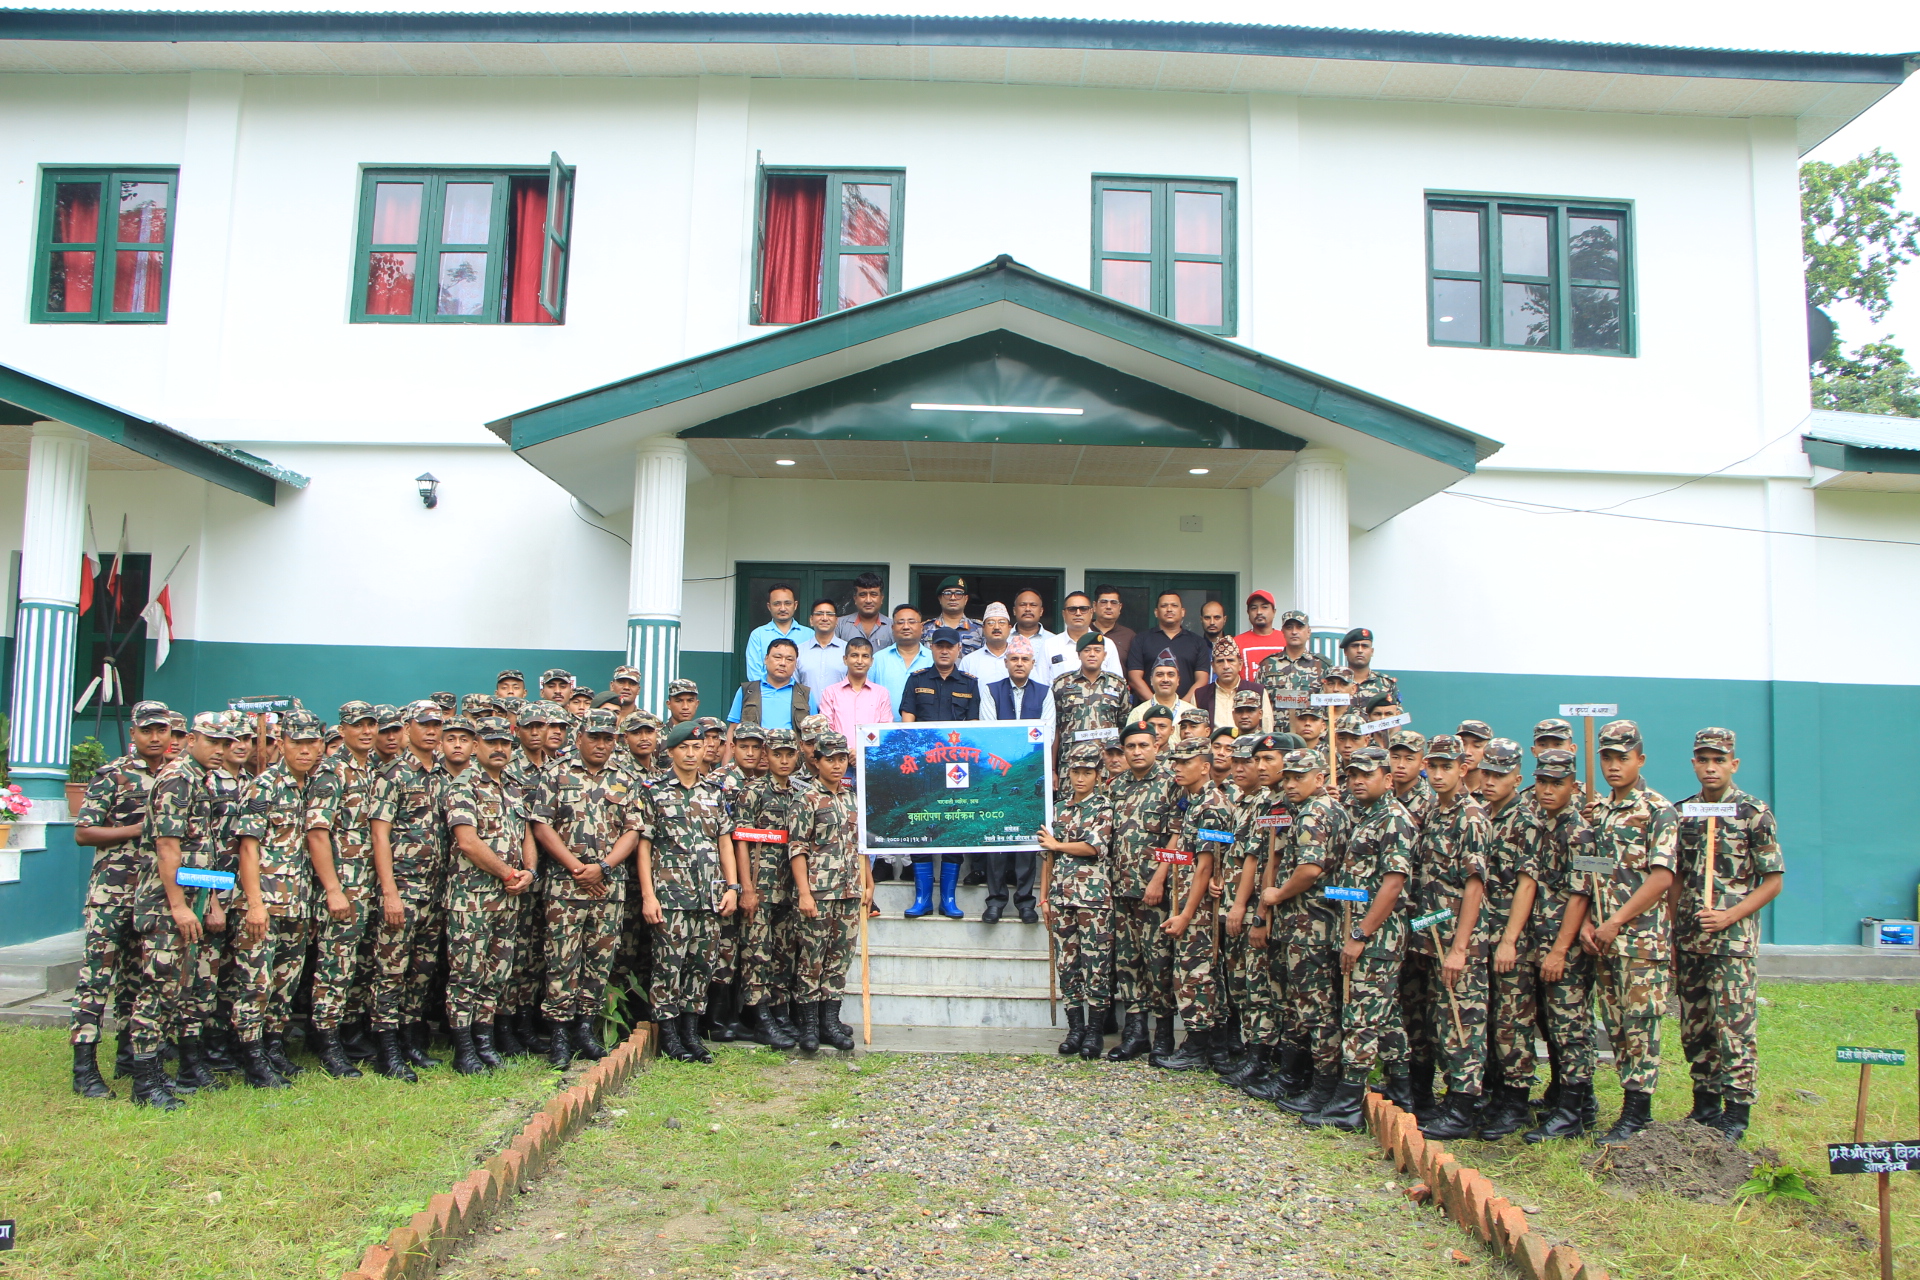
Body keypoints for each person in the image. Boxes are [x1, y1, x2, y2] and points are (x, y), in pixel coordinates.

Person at [118, 711, 246, 1109]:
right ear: (192, 739)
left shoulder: (200, 778)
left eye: (226, 744)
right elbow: (167, 847)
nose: (221, 750)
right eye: (213, 742)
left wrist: (207, 901)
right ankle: (145, 1082)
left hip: (191, 901)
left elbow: (200, 854)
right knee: (157, 990)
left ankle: (160, 1073)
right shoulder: (178, 778)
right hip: (165, 906)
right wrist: (178, 906)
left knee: (179, 989)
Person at [1672, 728, 1783, 1144]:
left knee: (1733, 1027)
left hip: (1732, 943)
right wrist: (1674, 932)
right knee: (1695, 1027)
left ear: (1733, 764)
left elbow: (1772, 881)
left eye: (1719, 760)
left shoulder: (1753, 813)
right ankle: (1705, 1105)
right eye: (1703, 760)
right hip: (1690, 940)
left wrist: (1729, 916)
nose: (1711, 768)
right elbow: (1676, 878)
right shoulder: (1684, 813)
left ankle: (1736, 1113)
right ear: (1694, 764)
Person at [1303, 746, 1413, 1131]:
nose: (1357, 781)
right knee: (1386, 1015)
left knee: (1360, 1016)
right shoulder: (1366, 815)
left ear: (1388, 778)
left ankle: (1349, 1102)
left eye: (1367, 775)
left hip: (1377, 937)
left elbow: (1393, 884)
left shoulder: (1393, 819)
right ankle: (1403, 1091)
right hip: (1359, 931)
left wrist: (1360, 934)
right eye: (1353, 775)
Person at [68, 699, 173, 1099]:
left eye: (161, 730)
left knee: (137, 980)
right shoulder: (112, 775)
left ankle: (129, 1058)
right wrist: (139, 829)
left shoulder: (174, 775)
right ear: (133, 734)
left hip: (152, 896)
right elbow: (84, 832)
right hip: (111, 895)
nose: (154, 738)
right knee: (96, 982)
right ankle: (84, 1070)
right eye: (147, 731)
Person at [1583, 720, 1679, 1145]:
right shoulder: (1600, 812)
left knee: (1640, 1025)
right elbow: (1594, 870)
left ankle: (1638, 1114)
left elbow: (1661, 878)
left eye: (1622, 757)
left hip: (1640, 941)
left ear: (1640, 759)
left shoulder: (1658, 810)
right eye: (1606, 757)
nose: (1613, 765)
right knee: (1617, 1024)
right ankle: (1628, 1108)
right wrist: (1589, 921)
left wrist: (1615, 920)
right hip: (1604, 940)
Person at [527, 708, 636, 1068]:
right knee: (561, 959)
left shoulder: (625, 777)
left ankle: (584, 1029)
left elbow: (633, 830)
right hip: (566, 886)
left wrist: (603, 868)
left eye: (608, 739)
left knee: (600, 959)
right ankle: (559, 1033)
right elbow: (542, 826)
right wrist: (577, 869)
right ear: (579, 738)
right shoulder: (556, 774)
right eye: (595, 737)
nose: (602, 744)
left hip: (608, 886)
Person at [634, 721, 741, 1064]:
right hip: (670, 896)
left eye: (697, 747)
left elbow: (724, 841)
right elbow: (644, 846)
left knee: (701, 965)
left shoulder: (714, 791)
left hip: (709, 896)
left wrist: (732, 887)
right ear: (671, 752)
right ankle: (669, 1036)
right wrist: (648, 896)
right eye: (684, 748)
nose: (692, 753)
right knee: (669, 965)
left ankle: (691, 1034)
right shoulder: (653, 790)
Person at [231, 708, 327, 1090]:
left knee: (285, 982)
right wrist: (254, 904)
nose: (304, 750)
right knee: (256, 982)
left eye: (311, 743)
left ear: (320, 746)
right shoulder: (264, 786)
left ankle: (273, 1048)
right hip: (265, 904)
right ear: (283, 744)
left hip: (297, 902)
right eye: (296, 743)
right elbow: (247, 847)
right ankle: (252, 1058)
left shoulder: (314, 786)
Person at [1404, 735, 1494, 1140]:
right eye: (1434, 767)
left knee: (1462, 1021)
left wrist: (1459, 948)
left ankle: (1463, 1107)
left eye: (1447, 767)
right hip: (1430, 933)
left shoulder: (1470, 817)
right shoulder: (1432, 811)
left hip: (1460, 939)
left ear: (1463, 768)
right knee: (1437, 1018)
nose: (1438, 775)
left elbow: (1474, 885)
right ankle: (1440, 1099)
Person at [442, 715, 537, 1074]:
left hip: (509, 897)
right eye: (491, 743)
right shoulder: (463, 785)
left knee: (497, 972)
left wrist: (529, 871)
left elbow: (526, 833)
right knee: (467, 974)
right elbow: (467, 842)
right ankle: (464, 1048)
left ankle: (485, 1041)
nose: (499, 749)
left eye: (505, 744)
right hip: (472, 898)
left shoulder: (513, 785)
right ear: (475, 746)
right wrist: (508, 873)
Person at [366, 701, 450, 1080]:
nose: (431, 731)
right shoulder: (393, 774)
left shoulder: (445, 775)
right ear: (407, 728)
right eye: (424, 724)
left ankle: (410, 1041)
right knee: (390, 970)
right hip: (403, 888)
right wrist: (390, 893)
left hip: (435, 891)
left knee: (421, 971)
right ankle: (386, 1050)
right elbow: (379, 836)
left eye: (436, 725)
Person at [1264, 746, 1350, 1116]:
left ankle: (1323, 1087)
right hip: (1313, 922)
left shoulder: (1315, 812)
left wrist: (1277, 894)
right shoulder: (1330, 808)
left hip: (1310, 924)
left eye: (1299, 777)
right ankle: (1303, 1079)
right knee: (1306, 1005)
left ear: (1320, 778)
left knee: (1315, 1008)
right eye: (1287, 777)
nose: (1290, 784)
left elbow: (1310, 870)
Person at [1519, 748, 1599, 1143]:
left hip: (1564, 949)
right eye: (1542, 782)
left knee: (1570, 1028)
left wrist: (1559, 951)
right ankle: (1565, 1100)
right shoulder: (1542, 823)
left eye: (1557, 783)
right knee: (1552, 1025)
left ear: (1573, 786)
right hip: (1540, 941)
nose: (1548, 790)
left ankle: (1573, 1111)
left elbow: (1580, 895)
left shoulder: (1579, 832)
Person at [1146, 736, 1236, 1072]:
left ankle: (1197, 1045)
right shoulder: (1194, 802)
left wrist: (1186, 914)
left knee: (1194, 973)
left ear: (1205, 766)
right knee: (1203, 973)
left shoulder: (1211, 806)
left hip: (1200, 909)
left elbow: (1205, 867)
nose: (1178, 768)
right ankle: (1215, 1047)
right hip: (1188, 899)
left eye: (1186, 762)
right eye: (1176, 762)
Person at [303, 701, 383, 1078]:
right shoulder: (331, 771)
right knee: (335, 965)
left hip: (369, 885)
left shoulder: (374, 769)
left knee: (360, 965)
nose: (366, 731)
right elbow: (317, 833)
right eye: (358, 725)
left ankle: (351, 1033)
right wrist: (333, 889)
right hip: (344, 886)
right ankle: (327, 1040)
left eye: (371, 724)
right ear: (342, 730)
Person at [1477, 739, 1545, 1141]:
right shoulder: (1482, 813)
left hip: (1509, 936)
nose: (1490, 781)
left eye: (1499, 775)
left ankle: (1516, 1101)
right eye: (1486, 773)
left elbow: (1526, 884)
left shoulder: (1524, 820)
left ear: (1517, 779)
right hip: (1482, 932)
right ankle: (1495, 1094)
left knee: (1512, 1020)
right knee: (1490, 1017)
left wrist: (1510, 940)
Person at [787, 731, 870, 1053]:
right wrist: (804, 893)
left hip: (849, 890)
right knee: (812, 959)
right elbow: (797, 848)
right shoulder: (806, 799)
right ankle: (808, 1025)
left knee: (839, 959)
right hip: (819, 892)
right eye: (830, 760)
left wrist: (868, 883)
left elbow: (861, 845)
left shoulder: (853, 798)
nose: (837, 766)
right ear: (817, 761)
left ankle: (830, 1022)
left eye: (841, 759)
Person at [1104, 720, 1178, 1061]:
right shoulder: (1116, 786)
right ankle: (1135, 1033)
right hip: (1121, 888)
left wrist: (1160, 879)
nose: (1136, 752)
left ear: (1157, 747)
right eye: (1130, 747)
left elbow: (1177, 835)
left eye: (1143, 745)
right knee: (1127, 961)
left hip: (1154, 891)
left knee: (1158, 962)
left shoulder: (1170, 783)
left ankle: (1163, 1033)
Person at [1038, 743, 1116, 1059]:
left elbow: (1094, 847)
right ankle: (1075, 1029)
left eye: (1087, 772)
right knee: (1067, 964)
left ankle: (1095, 1032)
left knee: (1096, 964)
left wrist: (1058, 844)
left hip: (1093, 900)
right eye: (1076, 772)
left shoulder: (1104, 807)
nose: (1081, 778)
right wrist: (1043, 897)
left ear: (1098, 775)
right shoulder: (1058, 809)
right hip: (1060, 897)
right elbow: (1047, 857)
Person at [732, 727, 808, 1050]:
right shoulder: (753, 792)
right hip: (760, 885)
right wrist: (746, 888)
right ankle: (760, 1017)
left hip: (789, 887)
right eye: (777, 754)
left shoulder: (801, 793)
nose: (784, 760)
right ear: (767, 755)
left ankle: (779, 1013)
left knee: (784, 953)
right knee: (756, 952)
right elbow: (740, 841)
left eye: (789, 754)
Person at [899, 626, 982, 918]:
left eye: (950, 646)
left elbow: (973, 726)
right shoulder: (917, 679)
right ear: (931, 648)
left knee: (953, 824)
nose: (944, 651)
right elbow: (907, 720)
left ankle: (948, 899)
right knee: (921, 822)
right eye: (939, 645)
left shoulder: (969, 683)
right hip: (923, 766)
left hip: (956, 766)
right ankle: (922, 898)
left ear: (959, 649)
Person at [1051, 632, 1128, 775]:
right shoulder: (1062, 684)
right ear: (1078, 655)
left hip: (1107, 763)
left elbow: (1124, 727)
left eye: (1097, 650)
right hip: (1071, 763)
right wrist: (1052, 769)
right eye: (1087, 650)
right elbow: (1054, 729)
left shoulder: (1117, 684)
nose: (1092, 654)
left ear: (1104, 655)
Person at [1125, 590, 1209, 704]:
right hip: (1148, 710)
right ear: (1156, 612)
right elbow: (1134, 678)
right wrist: (1156, 707)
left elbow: (1202, 680)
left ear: (1183, 612)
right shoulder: (1141, 639)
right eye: (1164, 606)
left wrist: (1181, 707)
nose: (1169, 609)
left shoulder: (1198, 642)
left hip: (1186, 711)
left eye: (1174, 605)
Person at [818, 635, 894, 739]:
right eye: (854, 655)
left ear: (871, 661)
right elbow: (826, 729)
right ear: (845, 659)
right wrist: (845, 747)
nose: (859, 661)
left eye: (865, 656)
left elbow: (885, 729)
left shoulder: (881, 693)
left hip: (872, 749)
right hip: (839, 749)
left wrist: (866, 748)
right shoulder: (831, 692)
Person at [728, 636, 810, 731]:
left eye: (789, 659)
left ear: (796, 664)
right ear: (766, 659)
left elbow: (813, 731)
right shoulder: (747, 691)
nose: (783, 663)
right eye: (778, 657)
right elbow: (733, 727)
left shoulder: (805, 694)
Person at [869, 605, 933, 718]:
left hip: (925, 727)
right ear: (892, 628)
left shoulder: (933, 659)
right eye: (900, 622)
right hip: (884, 727)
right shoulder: (878, 659)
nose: (906, 627)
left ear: (921, 627)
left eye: (911, 622)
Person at [1044, 590, 1123, 681]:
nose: (1078, 613)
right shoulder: (1049, 645)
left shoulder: (1107, 644)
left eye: (1083, 609)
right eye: (1072, 609)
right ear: (1063, 614)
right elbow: (1041, 684)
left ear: (1091, 612)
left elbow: (1116, 682)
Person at [1193, 637, 1265, 732]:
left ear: (1240, 665)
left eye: (1231, 660)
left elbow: (1267, 728)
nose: (1226, 666)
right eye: (1220, 661)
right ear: (1213, 666)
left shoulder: (1258, 691)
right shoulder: (1200, 695)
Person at [744, 582, 807, 684]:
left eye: (787, 603)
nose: (782, 608)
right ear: (769, 606)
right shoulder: (758, 635)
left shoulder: (809, 635)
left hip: (801, 693)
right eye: (777, 604)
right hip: (766, 692)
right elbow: (754, 674)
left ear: (795, 605)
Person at [980, 636, 1052, 723]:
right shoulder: (991, 691)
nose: (1019, 664)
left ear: (1032, 664)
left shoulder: (1044, 692)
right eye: (1014, 659)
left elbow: (1047, 728)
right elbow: (988, 728)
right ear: (1006, 663)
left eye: (1025, 659)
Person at [796, 599, 848, 700]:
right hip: (806, 709)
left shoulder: (847, 651)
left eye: (829, 614)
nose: (824, 618)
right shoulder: (799, 651)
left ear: (836, 621)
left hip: (839, 709)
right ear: (811, 620)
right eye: (819, 614)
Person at [1340, 628, 1401, 710]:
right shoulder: (1335, 683)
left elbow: (1397, 713)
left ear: (1372, 651)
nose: (1360, 650)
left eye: (1365, 646)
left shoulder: (1386, 683)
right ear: (1345, 651)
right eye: (1355, 646)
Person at [1235, 590, 1287, 682]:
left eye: (1264, 607)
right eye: (1254, 608)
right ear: (1248, 612)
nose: (1259, 612)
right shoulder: (1236, 642)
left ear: (1274, 612)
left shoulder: (1286, 639)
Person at [1125, 658, 1196, 726]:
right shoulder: (1138, 713)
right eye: (1160, 675)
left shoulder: (1191, 712)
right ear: (1151, 680)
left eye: (1171, 675)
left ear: (1178, 680)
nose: (1165, 679)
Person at [927, 575, 984, 654]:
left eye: (958, 593)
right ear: (940, 598)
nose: (953, 598)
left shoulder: (980, 629)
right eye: (947, 593)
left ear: (966, 599)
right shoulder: (925, 629)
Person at [961, 602, 1014, 686]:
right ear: (983, 629)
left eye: (1001, 622)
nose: (996, 627)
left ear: (1009, 628)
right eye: (991, 623)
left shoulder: (1021, 660)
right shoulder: (969, 661)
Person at [835, 571, 892, 648]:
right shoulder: (840, 625)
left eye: (873, 594)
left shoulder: (892, 627)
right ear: (855, 598)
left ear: (881, 598)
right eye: (863, 595)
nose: (868, 600)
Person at [1090, 585, 1135, 668]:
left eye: (1114, 603)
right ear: (1095, 606)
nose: (1108, 607)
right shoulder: (1084, 631)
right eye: (1104, 602)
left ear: (1120, 607)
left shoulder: (1129, 636)